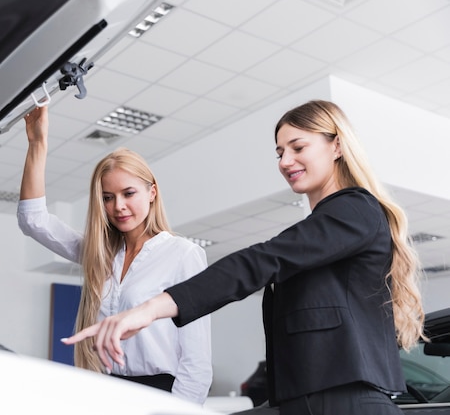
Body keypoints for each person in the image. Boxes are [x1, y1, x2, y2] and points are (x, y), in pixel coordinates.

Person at [63, 100, 427, 415]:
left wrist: (150, 308)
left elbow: (262, 260)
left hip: (346, 402)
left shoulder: (354, 210)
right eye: (280, 152)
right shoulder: (327, 227)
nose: (286, 161)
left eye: (298, 147)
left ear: (336, 146)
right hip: (305, 401)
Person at [17, 105, 212, 404]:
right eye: (108, 197)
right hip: (106, 392)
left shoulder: (183, 254)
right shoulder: (99, 254)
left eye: (128, 193)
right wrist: (37, 143)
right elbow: (33, 221)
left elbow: (196, 360)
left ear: (152, 192)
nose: (118, 206)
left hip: (161, 395)